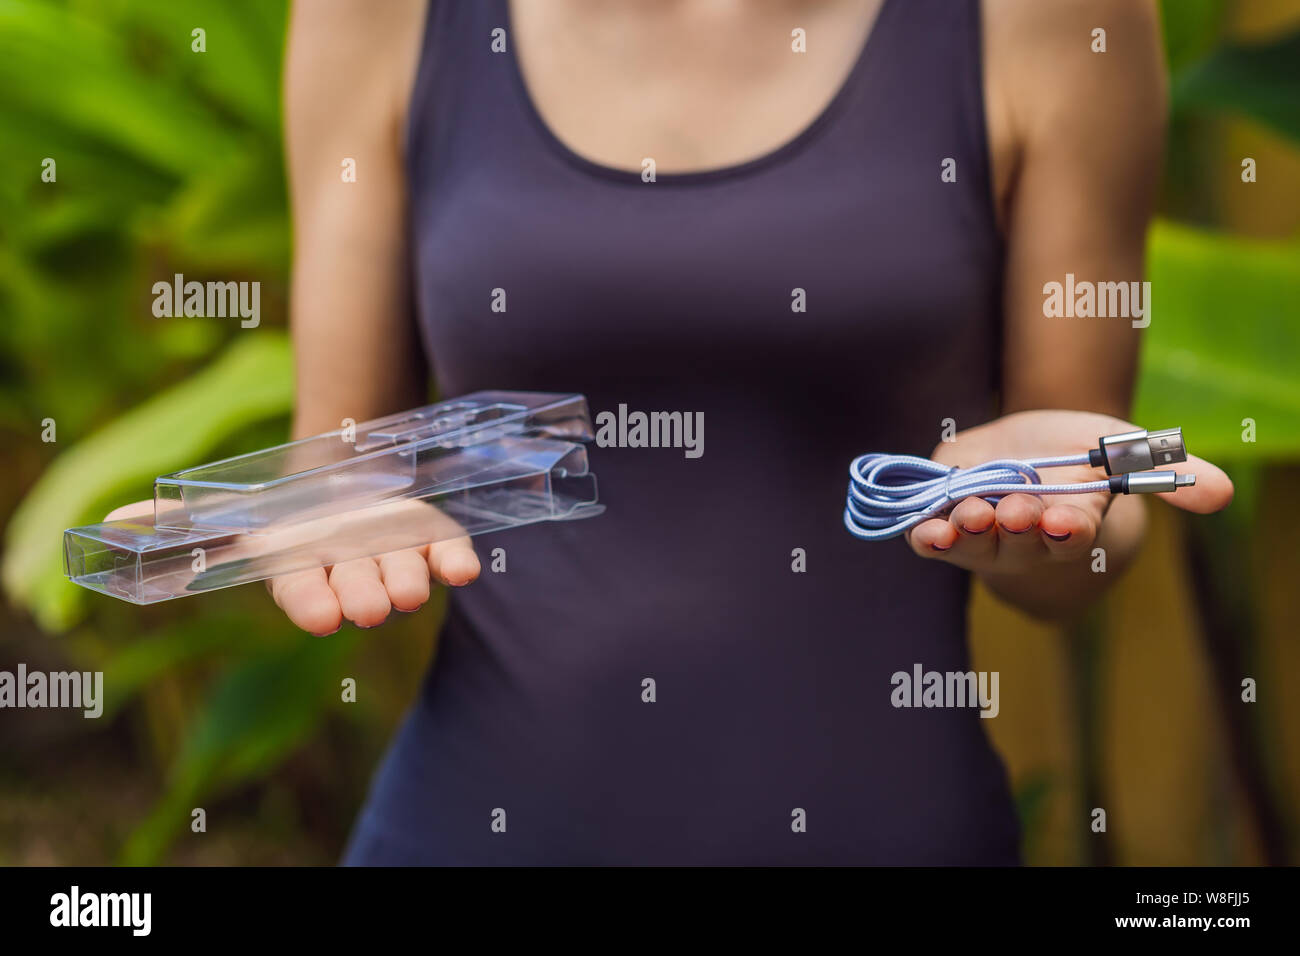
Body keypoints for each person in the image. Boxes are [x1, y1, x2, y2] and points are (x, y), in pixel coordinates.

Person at [273, 0, 1233, 864]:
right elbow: (343, 448)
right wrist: (318, 511)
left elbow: (1084, 539)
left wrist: (1041, 518)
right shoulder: (377, 15)